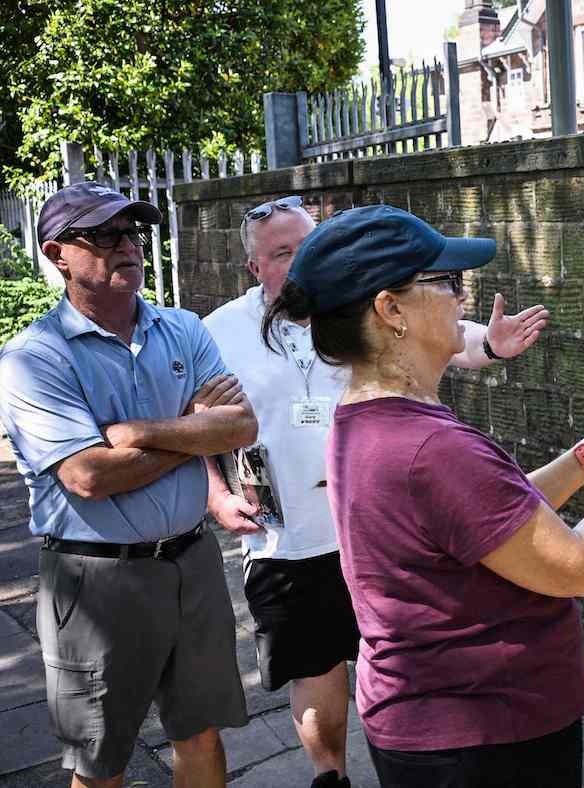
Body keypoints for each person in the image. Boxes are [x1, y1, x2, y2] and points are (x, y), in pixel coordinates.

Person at [261, 205, 584, 788]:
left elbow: (489, 519)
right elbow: (576, 567)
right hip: (484, 736)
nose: (463, 297)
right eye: (447, 281)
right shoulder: (431, 448)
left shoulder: (367, 419)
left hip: (431, 724)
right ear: (390, 310)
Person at [200, 195, 550, 788]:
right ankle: (330, 775)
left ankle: (412, 758)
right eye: (282, 253)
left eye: (307, 245)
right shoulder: (216, 332)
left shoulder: (356, 303)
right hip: (288, 537)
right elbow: (196, 422)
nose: (299, 260)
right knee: (314, 667)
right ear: (254, 268)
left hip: (376, 525)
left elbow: (441, 331)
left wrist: (490, 344)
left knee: (403, 655)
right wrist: (215, 494)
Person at [0, 182, 257, 788]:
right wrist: (193, 427)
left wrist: (137, 433)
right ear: (57, 254)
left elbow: (241, 426)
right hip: (98, 580)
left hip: (192, 562)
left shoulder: (183, 328)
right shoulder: (34, 358)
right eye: (104, 235)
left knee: (201, 733)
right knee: (101, 760)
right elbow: (88, 475)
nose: (128, 245)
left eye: (133, 232)